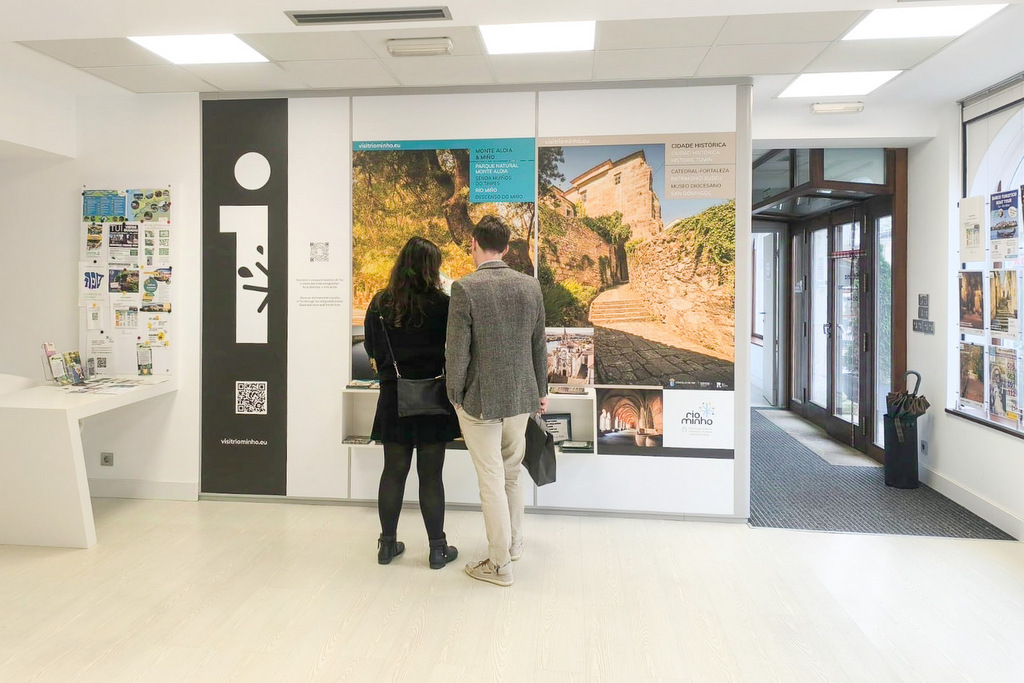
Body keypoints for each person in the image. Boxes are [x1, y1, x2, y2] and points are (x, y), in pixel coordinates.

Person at [446, 215, 548, 587]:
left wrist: (455, 395)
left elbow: (456, 352)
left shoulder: (464, 288)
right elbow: (539, 344)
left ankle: (500, 565)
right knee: (511, 474)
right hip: (521, 396)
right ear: (506, 248)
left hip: (480, 400)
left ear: (474, 243)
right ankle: (514, 544)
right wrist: (541, 391)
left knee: (491, 481)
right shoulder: (530, 286)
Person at [363, 237, 460, 570]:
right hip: (433, 396)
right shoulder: (444, 305)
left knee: (393, 472)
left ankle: (386, 545)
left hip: (393, 398)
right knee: (431, 476)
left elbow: (372, 348)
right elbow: (455, 350)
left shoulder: (380, 303)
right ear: (432, 268)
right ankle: (437, 549)